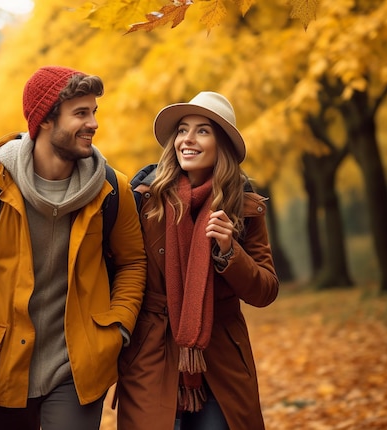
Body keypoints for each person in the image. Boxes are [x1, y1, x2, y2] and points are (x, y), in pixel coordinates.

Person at [0, 66, 147, 430]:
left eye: (94, 112)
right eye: (81, 113)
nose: (93, 124)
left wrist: (116, 328)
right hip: (0, 364)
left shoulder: (112, 189)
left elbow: (133, 263)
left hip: (77, 366)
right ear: (44, 121)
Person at [116, 91, 279, 430]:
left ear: (223, 145)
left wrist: (228, 251)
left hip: (220, 358)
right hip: (152, 353)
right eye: (182, 130)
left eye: (202, 131)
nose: (187, 140)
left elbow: (265, 291)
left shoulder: (244, 208)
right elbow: (121, 270)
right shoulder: (144, 200)